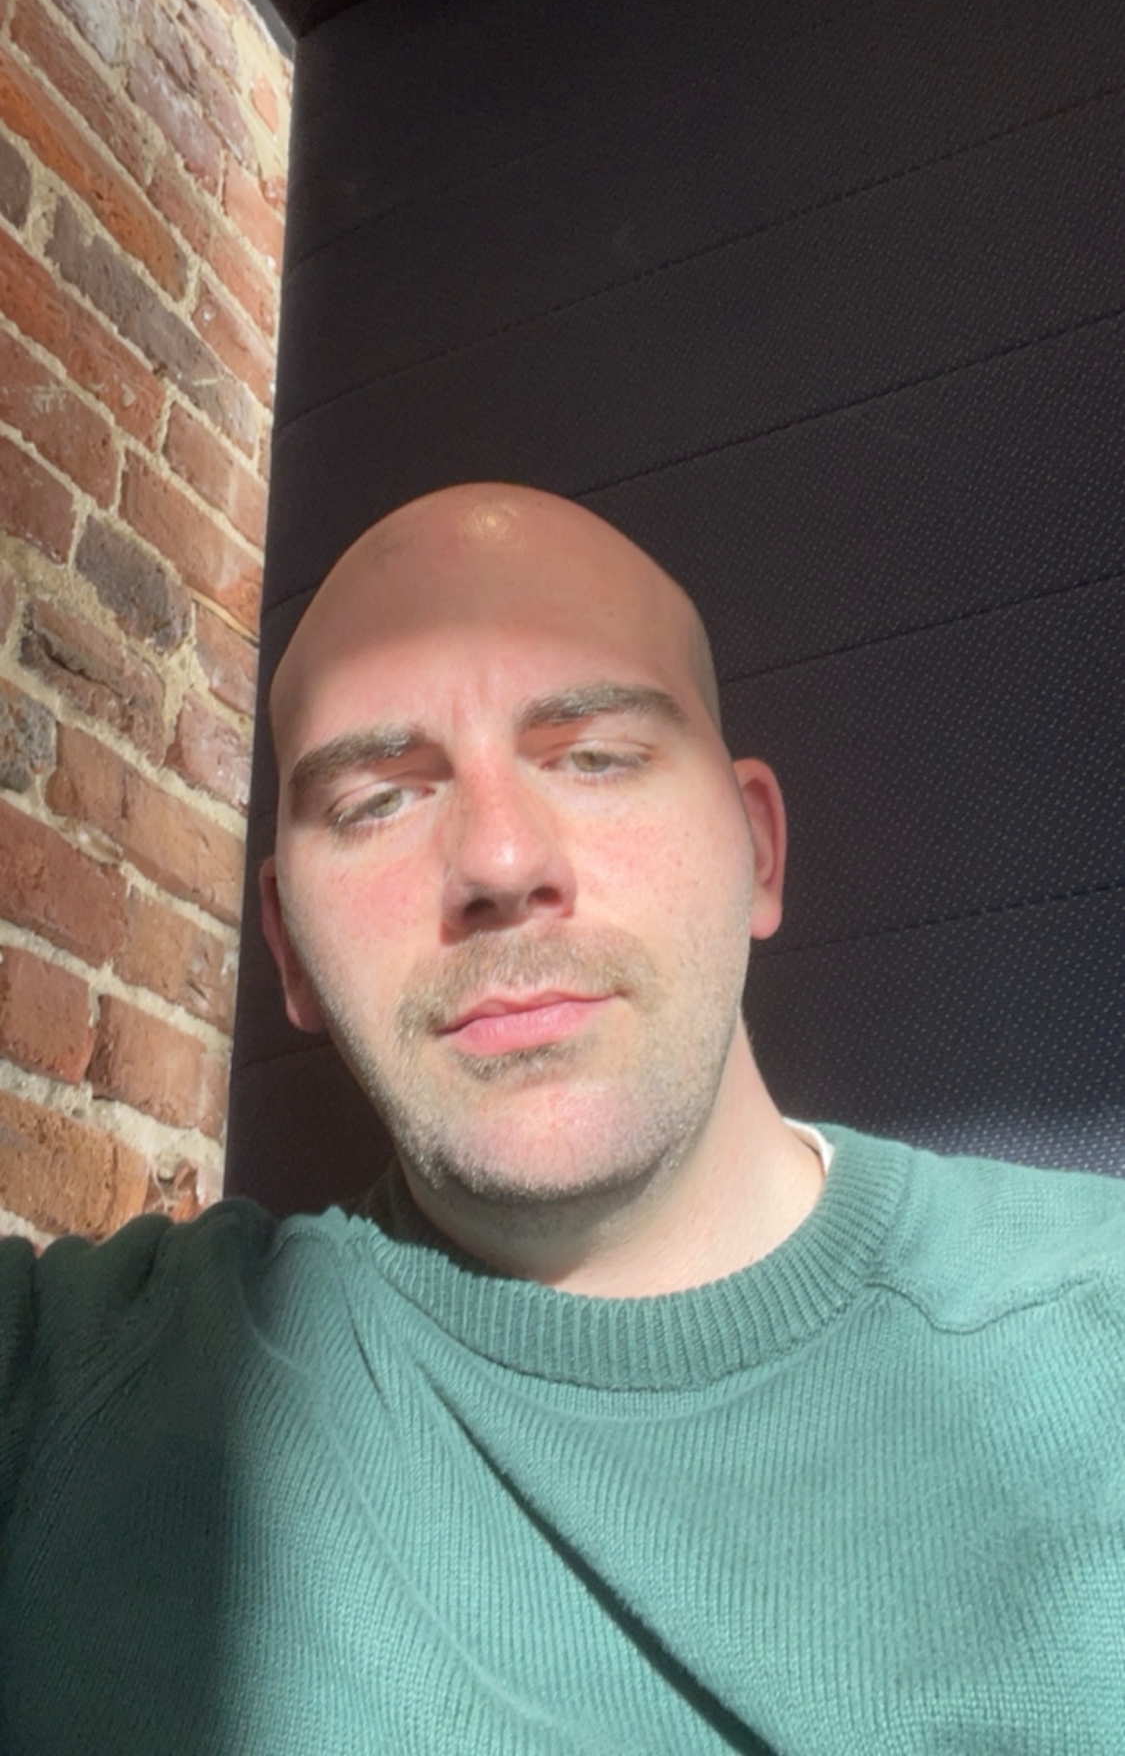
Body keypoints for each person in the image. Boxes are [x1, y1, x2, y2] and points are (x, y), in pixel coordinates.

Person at [1, 481, 1122, 1755]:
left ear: (758, 848)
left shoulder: (1093, 1334)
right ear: (290, 951)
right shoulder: (77, 1390)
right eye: (376, 800)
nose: (498, 860)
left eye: (595, 756)